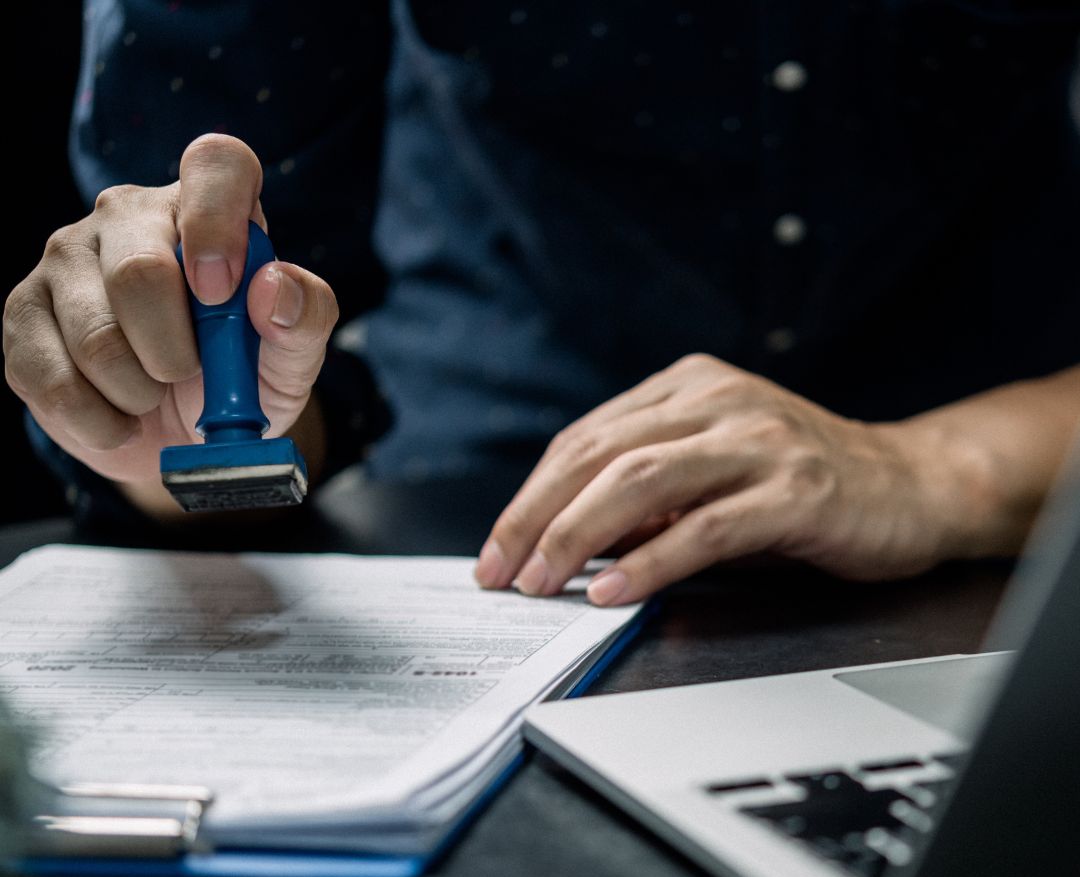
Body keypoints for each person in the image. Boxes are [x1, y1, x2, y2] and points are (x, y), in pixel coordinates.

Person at [5, 3, 1080, 607]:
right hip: (487, 533)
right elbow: (219, 435)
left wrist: (943, 470)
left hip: (1020, 511)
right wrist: (180, 445)